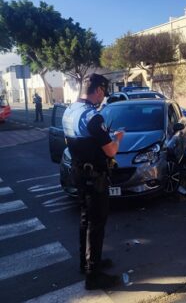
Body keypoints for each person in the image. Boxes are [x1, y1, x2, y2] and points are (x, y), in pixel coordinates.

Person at [62, 73, 124, 290]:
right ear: (97, 90)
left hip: (79, 174)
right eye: (103, 91)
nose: (103, 96)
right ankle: (93, 275)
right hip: (95, 178)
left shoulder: (69, 111)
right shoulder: (92, 117)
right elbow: (111, 151)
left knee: (85, 220)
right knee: (96, 225)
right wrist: (117, 138)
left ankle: (86, 263)